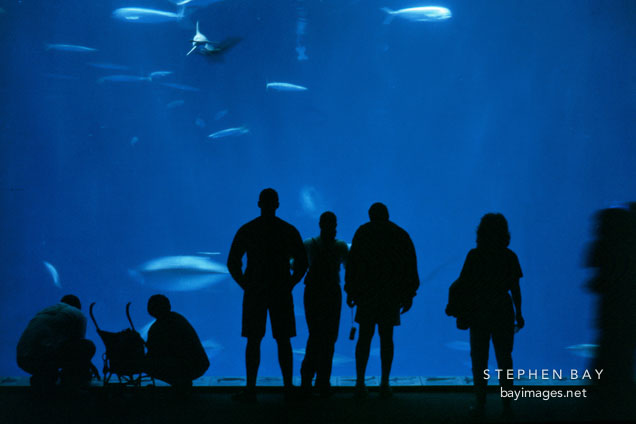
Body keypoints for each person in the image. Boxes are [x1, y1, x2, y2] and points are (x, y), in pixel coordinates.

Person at [227, 188, 308, 402]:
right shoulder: (288, 230)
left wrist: (246, 284)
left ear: (259, 204)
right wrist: (290, 283)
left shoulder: (248, 229)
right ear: (278, 204)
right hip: (281, 290)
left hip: (255, 291)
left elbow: (233, 262)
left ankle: (251, 389)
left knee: (253, 340)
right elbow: (302, 262)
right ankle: (289, 388)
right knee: (284, 340)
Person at [344, 202, 419, 398]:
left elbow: (352, 264)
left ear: (370, 215)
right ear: (387, 215)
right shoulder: (399, 234)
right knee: (387, 339)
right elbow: (410, 265)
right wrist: (409, 293)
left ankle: (360, 383)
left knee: (364, 338)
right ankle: (385, 383)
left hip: (367, 295)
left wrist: (351, 291)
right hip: (390, 295)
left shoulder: (363, 232)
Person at [457, 213, 524, 418]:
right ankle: (507, 404)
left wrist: (461, 311)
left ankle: (480, 402)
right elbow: (515, 289)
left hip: (479, 310)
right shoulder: (509, 256)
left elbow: (464, 286)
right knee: (505, 358)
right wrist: (519, 314)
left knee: (479, 358)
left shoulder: (474, 255)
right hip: (503, 309)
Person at [585, 205, 636, 419]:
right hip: (623, 316)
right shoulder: (626, 250)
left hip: (612, 316)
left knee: (609, 358)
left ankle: (607, 403)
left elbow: (598, 280)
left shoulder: (606, 247)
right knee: (621, 359)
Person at [300, 211, 349, 397]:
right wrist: (352, 292)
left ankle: (307, 381)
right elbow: (350, 269)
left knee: (314, 336)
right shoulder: (341, 246)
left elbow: (293, 265)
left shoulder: (308, 244)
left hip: (312, 293)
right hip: (331, 294)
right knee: (329, 338)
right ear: (334, 225)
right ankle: (323, 381)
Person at [16, 294, 97, 393]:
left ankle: (46, 376)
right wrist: (86, 366)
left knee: (50, 355)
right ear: (78, 306)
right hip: (45, 359)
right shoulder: (78, 314)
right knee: (87, 345)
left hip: (23, 360)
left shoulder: (44, 311)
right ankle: (70, 382)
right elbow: (79, 344)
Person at [144, 294, 209, 393]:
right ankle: (181, 382)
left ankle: (180, 383)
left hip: (188, 366)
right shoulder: (178, 318)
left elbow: (154, 351)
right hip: (199, 364)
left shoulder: (158, 327)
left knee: (146, 364)